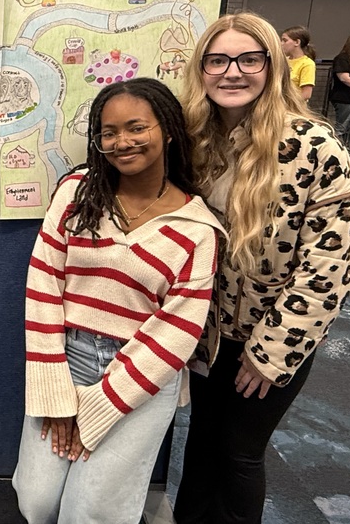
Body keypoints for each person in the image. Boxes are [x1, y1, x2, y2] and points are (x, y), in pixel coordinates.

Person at [173, 12, 350, 524]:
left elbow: (330, 266)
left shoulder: (316, 148)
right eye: (218, 60)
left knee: (238, 452)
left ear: (272, 66)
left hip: (271, 334)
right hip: (205, 331)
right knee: (201, 444)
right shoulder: (194, 141)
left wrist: (270, 353)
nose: (232, 72)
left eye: (248, 59)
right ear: (202, 69)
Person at [13, 78, 223, 524]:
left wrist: (102, 405)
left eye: (135, 128)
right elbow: (44, 284)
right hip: (65, 359)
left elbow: (175, 334)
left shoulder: (197, 228)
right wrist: (58, 398)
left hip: (139, 377)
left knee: (89, 514)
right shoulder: (77, 193)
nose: (121, 142)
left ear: (167, 130)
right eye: (108, 132)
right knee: (37, 501)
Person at [279, 25, 316, 101]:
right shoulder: (284, 60)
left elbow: (306, 94)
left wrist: (286, 103)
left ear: (297, 42)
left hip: (291, 108)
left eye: (285, 40)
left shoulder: (307, 64)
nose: (281, 43)